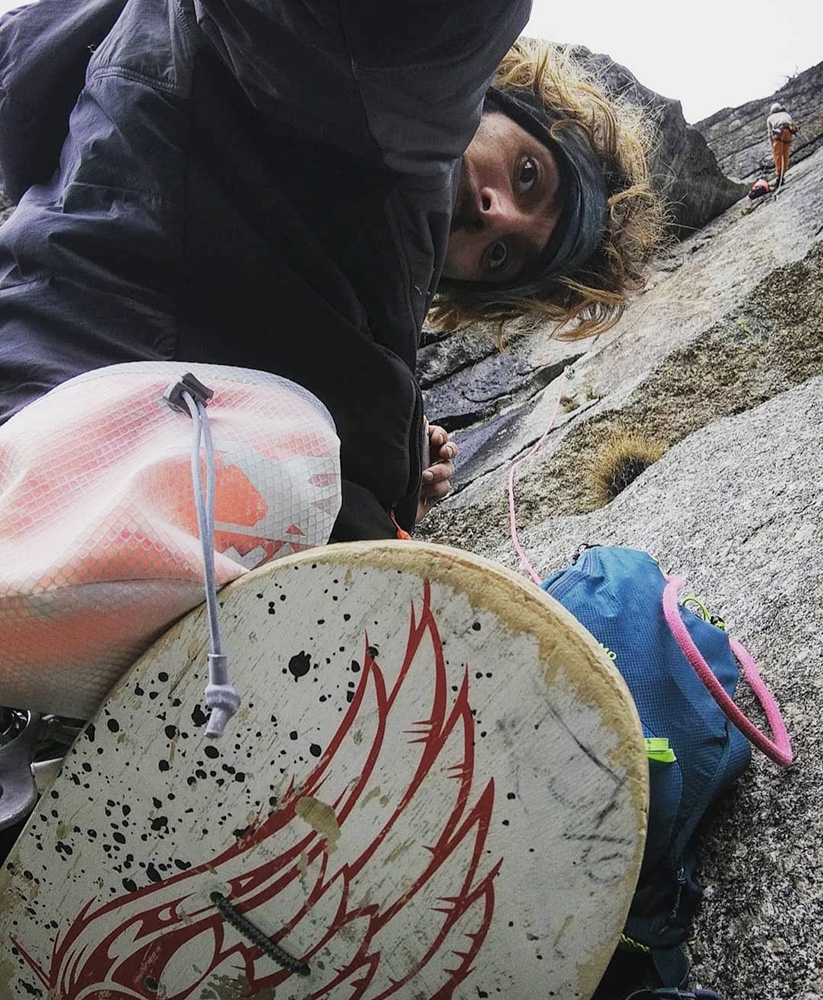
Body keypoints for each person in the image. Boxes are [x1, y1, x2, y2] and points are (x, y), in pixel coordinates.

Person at [0, 0, 666, 543]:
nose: (495, 217)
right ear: (502, 101)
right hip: (70, 491)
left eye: (501, 258)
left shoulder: (369, 268)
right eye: (528, 174)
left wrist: (400, 469)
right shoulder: (387, 80)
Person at [766, 100, 798, 186]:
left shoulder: (770, 118)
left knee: (778, 156)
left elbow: (770, 134)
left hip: (778, 135)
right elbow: (792, 124)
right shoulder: (786, 115)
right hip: (788, 133)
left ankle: (779, 177)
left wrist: (772, 145)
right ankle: (783, 174)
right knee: (785, 154)